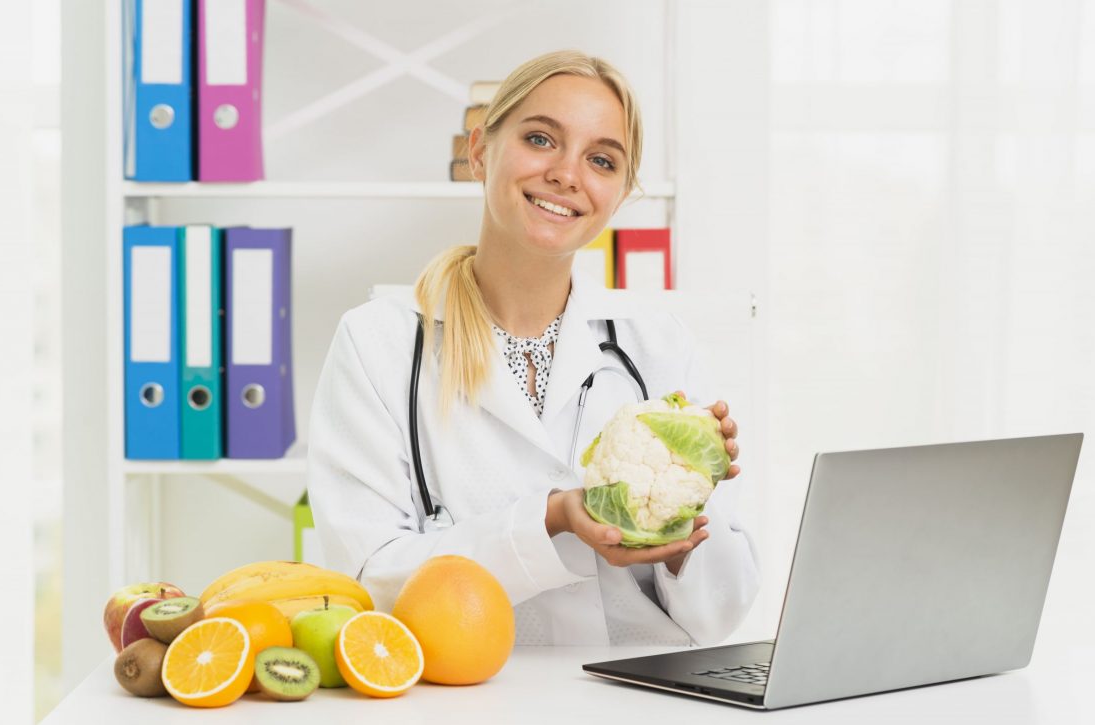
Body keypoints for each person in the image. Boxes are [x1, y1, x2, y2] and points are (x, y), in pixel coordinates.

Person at [308, 50, 759, 646]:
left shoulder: (657, 344)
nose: (567, 175)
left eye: (601, 159)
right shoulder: (380, 344)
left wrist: (685, 509)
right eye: (542, 139)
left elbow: (722, 613)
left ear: (619, 194)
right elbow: (367, 581)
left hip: (642, 695)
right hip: (471, 699)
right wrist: (549, 521)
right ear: (479, 151)